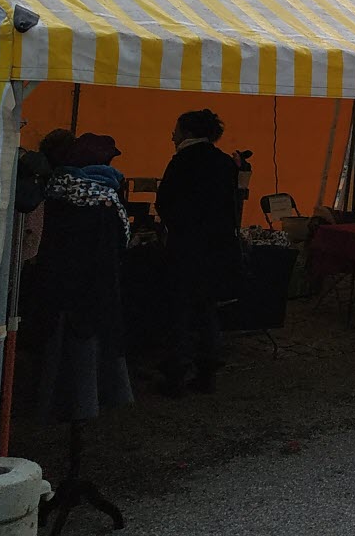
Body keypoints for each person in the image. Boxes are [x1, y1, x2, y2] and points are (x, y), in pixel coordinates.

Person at [32, 131, 135, 419]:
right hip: (95, 286)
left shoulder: (56, 189)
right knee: (89, 351)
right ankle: (88, 406)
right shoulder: (105, 198)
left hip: (59, 283)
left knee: (58, 351)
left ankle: (53, 403)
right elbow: (111, 248)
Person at [156, 109, 242, 396]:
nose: (172, 134)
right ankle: (207, 372)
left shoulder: (182, 162)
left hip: (187, 246)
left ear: (188, 132)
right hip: (217, 247)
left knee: (179, 310)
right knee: (207, 309)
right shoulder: (224, 163)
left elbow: (165, 203)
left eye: (176, 129)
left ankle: (176, 376)